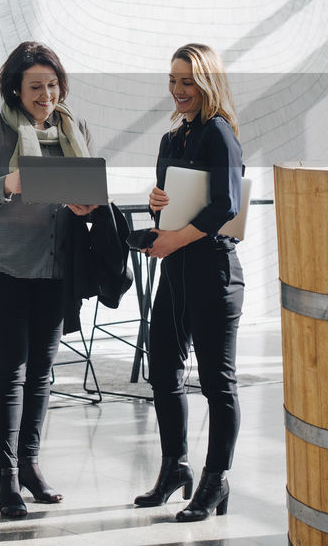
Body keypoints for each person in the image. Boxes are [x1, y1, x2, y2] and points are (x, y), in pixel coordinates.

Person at [0, 41, 97, 519]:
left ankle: (33, 466)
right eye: (35, 86)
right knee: (11, 369)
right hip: (2, 267)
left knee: (41, 370)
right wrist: (9, 184)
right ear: (15, 88)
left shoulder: (74, 128)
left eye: (53, 85)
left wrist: (85, 204)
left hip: (55, 266)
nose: (46, 95)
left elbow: (82, 192)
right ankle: (8, 475)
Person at [133, 43, 245, 522]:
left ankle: (215, 480)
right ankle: (175, 467)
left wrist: (173, 238)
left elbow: (225, 206)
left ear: (207, 84)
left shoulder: (219, 134)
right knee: (163, 370)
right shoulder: (172, 139)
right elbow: (167, 207)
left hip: (212, 271)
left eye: (188, 82)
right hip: (175, 270)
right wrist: (156, 203)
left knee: (217, 383)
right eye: (174, 81)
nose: (179, 91)